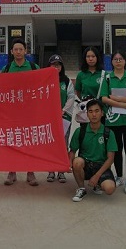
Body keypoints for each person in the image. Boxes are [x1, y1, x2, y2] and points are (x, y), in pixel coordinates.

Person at [101, 50, 126, 194]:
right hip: (113, 120)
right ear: (111, 62)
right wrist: (123, 104)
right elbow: (104, 98)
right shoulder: (107, 78)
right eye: (115, 59)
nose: (118, 61)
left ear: (125, 61)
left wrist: (118, 99)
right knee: (117, 150)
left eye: (121, 59)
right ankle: (119, 176)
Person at [1, 38, 40, 186]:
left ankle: (30, 172)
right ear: (11, 51)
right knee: (12, 141)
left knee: (29, 141)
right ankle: (12, 172)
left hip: (29, 112)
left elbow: (41, 86)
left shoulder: (33, 67)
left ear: (25, 51)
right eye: (15, 49)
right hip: (11, 112)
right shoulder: (6, 68)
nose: (18, 52)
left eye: (21, 49)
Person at [69, 99, 117, 202]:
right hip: (86, 164)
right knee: (77, 162)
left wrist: (97, 176)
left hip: (101, 166)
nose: (94, 115)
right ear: (87, 114)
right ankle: (81, 188)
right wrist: (69, 164)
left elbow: (110, 159)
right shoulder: (80, 131)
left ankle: (98, 184)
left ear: (102, 113)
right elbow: (72, 151)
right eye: (90, 111)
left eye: (97, 111)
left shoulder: (108, 133)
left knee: (110, 189)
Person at [46, 54, 75, 184]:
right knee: (50, 144)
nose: (56, 67)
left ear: (62, 67)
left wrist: (63, 110)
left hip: (64, 117)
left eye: (58, 65)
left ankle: (61, 170)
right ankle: (51, 170)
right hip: (49, 118)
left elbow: (71, 97)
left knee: (63, 144)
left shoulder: (67, 81)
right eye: (53, 65)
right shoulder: (45, 80)